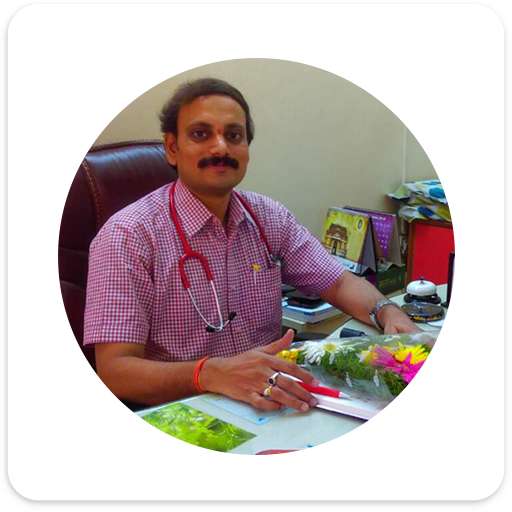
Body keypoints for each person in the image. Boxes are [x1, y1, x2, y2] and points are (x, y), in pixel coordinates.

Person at [84, 78, 418, 412]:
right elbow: (115, 373)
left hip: (275, 399)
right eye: (200, 134)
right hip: (187, 411)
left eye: (233, 135)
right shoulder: (128, 235)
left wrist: (386, 311)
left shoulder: (268, 217)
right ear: (172, 148)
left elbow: (339, 281)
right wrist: (209, 374)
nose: (220, 148)